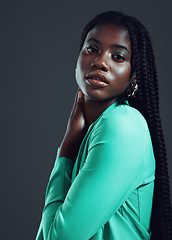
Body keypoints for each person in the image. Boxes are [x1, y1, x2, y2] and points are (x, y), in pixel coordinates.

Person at [35, 11, 172, 240]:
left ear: (134, 76)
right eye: (92, 49)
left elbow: (57, 237)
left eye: (118, 56)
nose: (100, 61)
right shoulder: (96, 128)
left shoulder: (123, 125)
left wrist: (66, 149)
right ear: (77, 62)